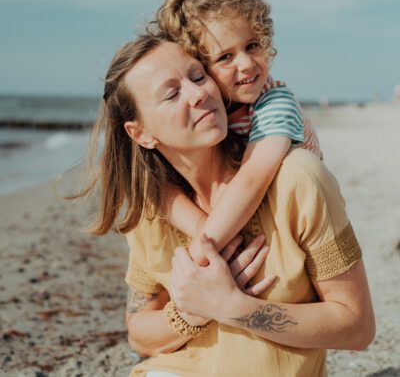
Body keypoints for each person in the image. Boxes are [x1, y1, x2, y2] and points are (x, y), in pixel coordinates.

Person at [84, 33, 374, 376]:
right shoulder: (153, 209)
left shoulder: (297, 180)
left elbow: (358, 327)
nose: (198, 94)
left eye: (197, 76)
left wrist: (233, 306)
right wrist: (192, 311)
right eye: (172, 93)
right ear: (140, 133)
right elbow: (139, 334)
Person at [152, 0, 322, 266]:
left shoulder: (275, 102)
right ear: (198, 68)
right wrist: (200, 227)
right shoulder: (207, 115)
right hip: (239, 225)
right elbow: (156, 187)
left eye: (252, 46)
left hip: (300, 229)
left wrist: (196, 260)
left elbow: (252, 180)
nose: (246, 64)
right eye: (225, 57)